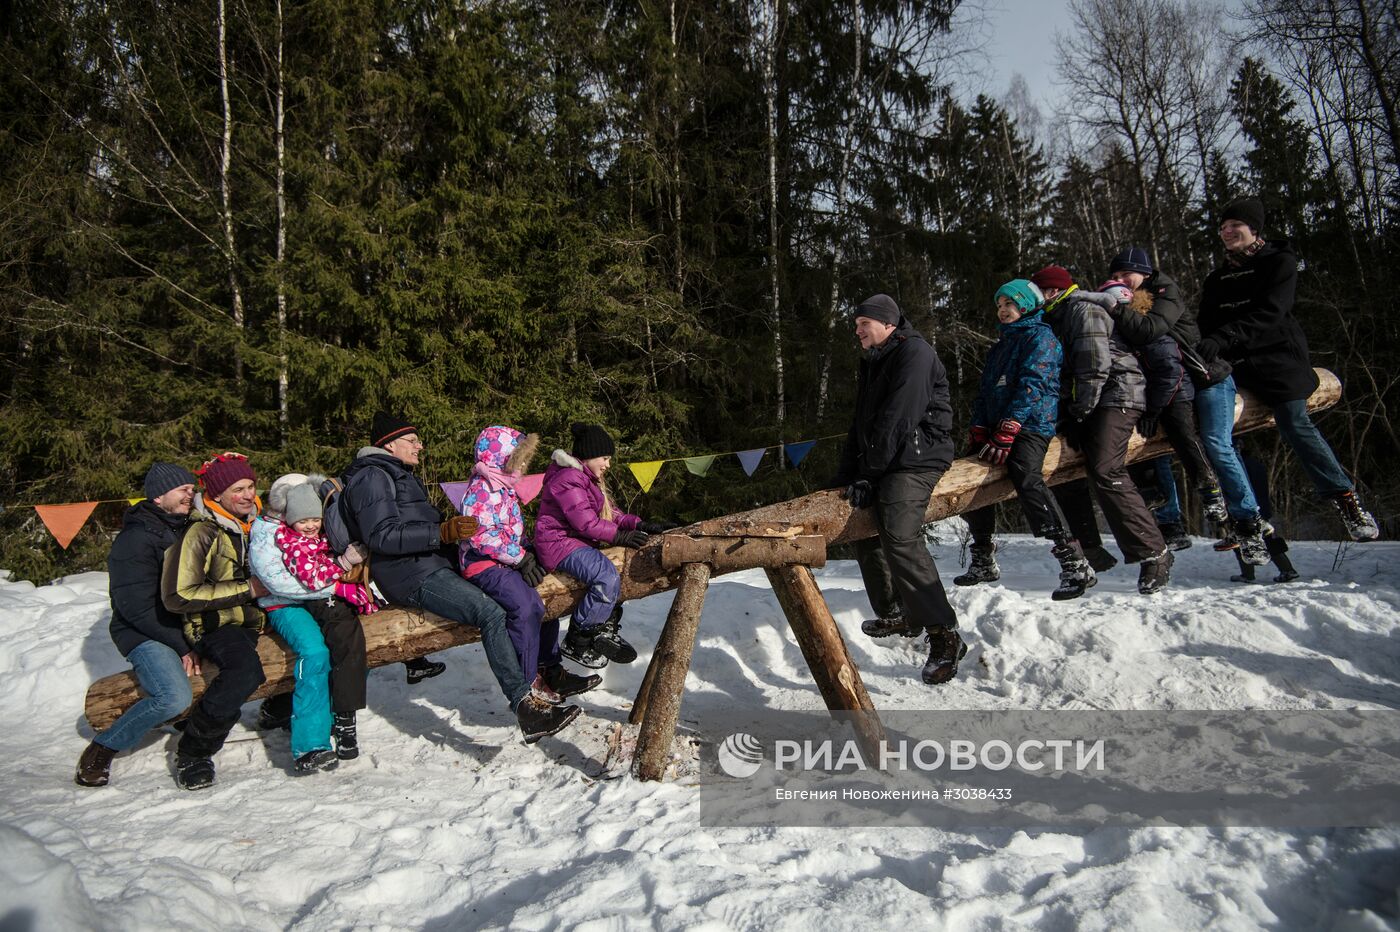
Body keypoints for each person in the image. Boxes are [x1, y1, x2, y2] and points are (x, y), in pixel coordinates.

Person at [342, 412, 579, 744]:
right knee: (489, 613)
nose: (419, 446)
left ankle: (546, 671)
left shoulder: (396, 474)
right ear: (389, 444)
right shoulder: (372, 477)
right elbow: (381, 535)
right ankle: (525, 705)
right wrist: (441, 532)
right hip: (410, 573)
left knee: (517, 595)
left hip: (429, 562)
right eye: (412, 440)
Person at [1196, 196, 1379, 542]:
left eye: (1235, 225)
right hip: (1234, 364)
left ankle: (1345, 500)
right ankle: (1246, 519)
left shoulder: (1278, 261)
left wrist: (1224, 336)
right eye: (1222, 228)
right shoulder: (1217, 278)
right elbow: (1206, 322)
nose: (1227, 232)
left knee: (1293, 421)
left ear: (1254, 228)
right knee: (1217, 431)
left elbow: (1272, 311)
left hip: (1278, 358)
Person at [831, 294, 963, 685]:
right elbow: (861, 424)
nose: (857, 331)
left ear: (887, 324)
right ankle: (895, 611)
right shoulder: (875, 359)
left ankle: (944, 635)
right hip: (889, 458)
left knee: (899, 533)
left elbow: (898, 418)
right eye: (855, 325)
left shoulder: (915, 354)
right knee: (858, 525)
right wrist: (842, 478)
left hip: (919, 457)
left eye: (863, 324)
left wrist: (870, 474)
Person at [1030, 265, 1174, 594]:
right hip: (1087, 401)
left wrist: (1080, 412)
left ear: (1052, 292)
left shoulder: (1082, 310)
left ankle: (1155, 552)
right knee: (1062, 467)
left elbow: (1095, 366)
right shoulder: (1054, 317)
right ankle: (1090, 549)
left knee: (1106, 468)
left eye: (1038, 294)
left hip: (1118, 394)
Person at [955, 279, 1096, 600]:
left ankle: (1073, 559)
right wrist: (979, 428)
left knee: (1025, 474)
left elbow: (1033, 385)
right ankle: (982, 557)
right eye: (999, 305)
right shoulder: (1001, 345)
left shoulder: (1042, 339)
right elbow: (987, 393)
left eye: (1010, 304)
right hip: (997, 428)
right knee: (973, 479)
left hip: (1031, 425)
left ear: (1027, 305)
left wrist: (1010, 427)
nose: (1003, 311)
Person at [1097, 248, 1232, 555]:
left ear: (1143, 272)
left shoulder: (1154, 310)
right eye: (1114, 278)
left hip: (1178, 390)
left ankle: (1210, 491)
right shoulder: (1126, 325)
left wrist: (1155, 408)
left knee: (1183, 435)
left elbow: (1169, 370)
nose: (1121, 281)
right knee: (1143, 445)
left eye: (1124, 276)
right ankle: (1160, 504)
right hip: (1154, 394)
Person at [76, 464, 198, 787]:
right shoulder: (135, 539)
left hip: (182, 625)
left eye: (192, 488)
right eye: (182, 488)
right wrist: (182, 644)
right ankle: (104, 747)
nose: (191, 493)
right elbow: (136, 607)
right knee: (173, 697)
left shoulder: (186, 528)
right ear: (158, 496)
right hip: (143, 630)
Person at [457, 426, 600, 700]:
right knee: (526, 607)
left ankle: (550, 669)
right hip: (481, 564)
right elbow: (481, 536)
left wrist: (529, 551)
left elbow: (507, 530)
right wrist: (521, 558)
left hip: (507, 558)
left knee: (545, 600)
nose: (524, 465)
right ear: (502, 459)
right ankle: (527, 683)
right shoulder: (481, 490)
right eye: (519, 459)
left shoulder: (504, 486)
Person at [247, 475, 371, 773]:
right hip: (284, 602)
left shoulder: (305, 526)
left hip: (309, 599)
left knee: (342, 640)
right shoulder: (268, 532)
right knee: (315, 653)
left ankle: (321, 719)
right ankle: (310, 745)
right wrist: (338, 585)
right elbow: (279, 584)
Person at [160, 452, 269, 790]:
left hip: (258, 618)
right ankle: (194, 751)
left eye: (251, 486)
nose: (248, 495)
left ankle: (279, 710)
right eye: (238, 489)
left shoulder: (256, 524)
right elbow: (178, 594)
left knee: (325, 636)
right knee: (245, 672)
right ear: (217, 494)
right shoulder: (202, 531)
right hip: (216, 624)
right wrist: (246, 589)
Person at [535, 424, 675, 669]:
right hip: (558, 543)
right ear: (589, 455)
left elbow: (610, 514)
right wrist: (620, 537)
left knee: (616, 571)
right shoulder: (568, 479)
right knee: (605, 575)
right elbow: (586, 523)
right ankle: (578, 639)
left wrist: (639, 523)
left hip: (574, 542)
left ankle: (604, 626)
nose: (608, 464)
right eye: (605, 458)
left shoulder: (587, 479)